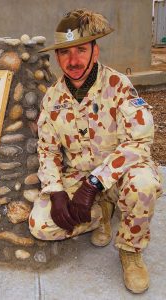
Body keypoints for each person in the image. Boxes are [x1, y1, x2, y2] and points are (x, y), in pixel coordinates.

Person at [29, 8, 162, 294]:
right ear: (57, 57)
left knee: (144, 185)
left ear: (95, 51)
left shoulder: (119, 87)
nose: (73, 60)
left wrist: (95, 183)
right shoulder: (52, 99)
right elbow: (47, 150)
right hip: (77, 176)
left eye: (81, 50)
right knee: (39, 225)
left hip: (117, 175)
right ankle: (102, 213)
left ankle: (130, 248)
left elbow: (140, 142)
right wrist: (56, 191)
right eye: (65, 53)